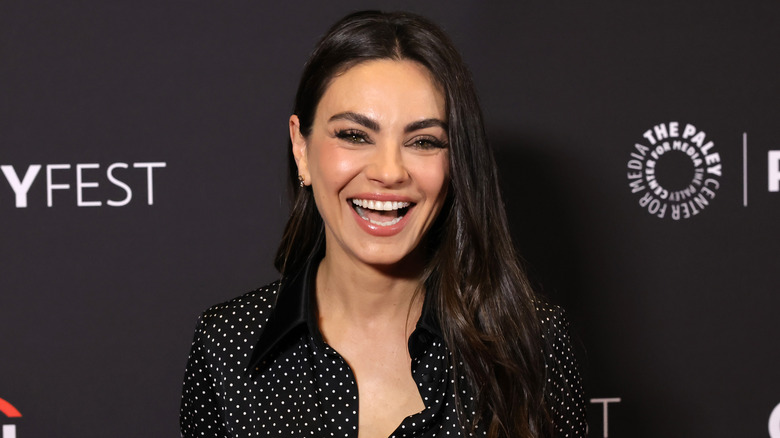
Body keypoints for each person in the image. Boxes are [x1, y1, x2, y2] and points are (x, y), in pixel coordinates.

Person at [180, 10, 585, 438]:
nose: (390, 171)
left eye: (423, 141)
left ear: (457, 163)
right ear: (302, 148)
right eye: (354, 135)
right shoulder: (226, 343)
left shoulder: (532, 342)